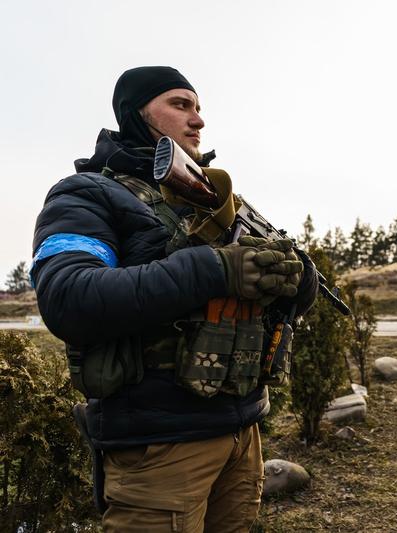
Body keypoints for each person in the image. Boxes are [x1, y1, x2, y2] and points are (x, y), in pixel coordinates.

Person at [31, 66, 318, 530]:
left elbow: (281, 303)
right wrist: (215, 268)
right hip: (159, 447)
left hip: (242, 431)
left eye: (199, 107)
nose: (199, 120)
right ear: (136, 113)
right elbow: (69, 296)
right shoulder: (88, 194)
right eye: (181, 105)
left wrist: (296, 277)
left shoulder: (218, 198)